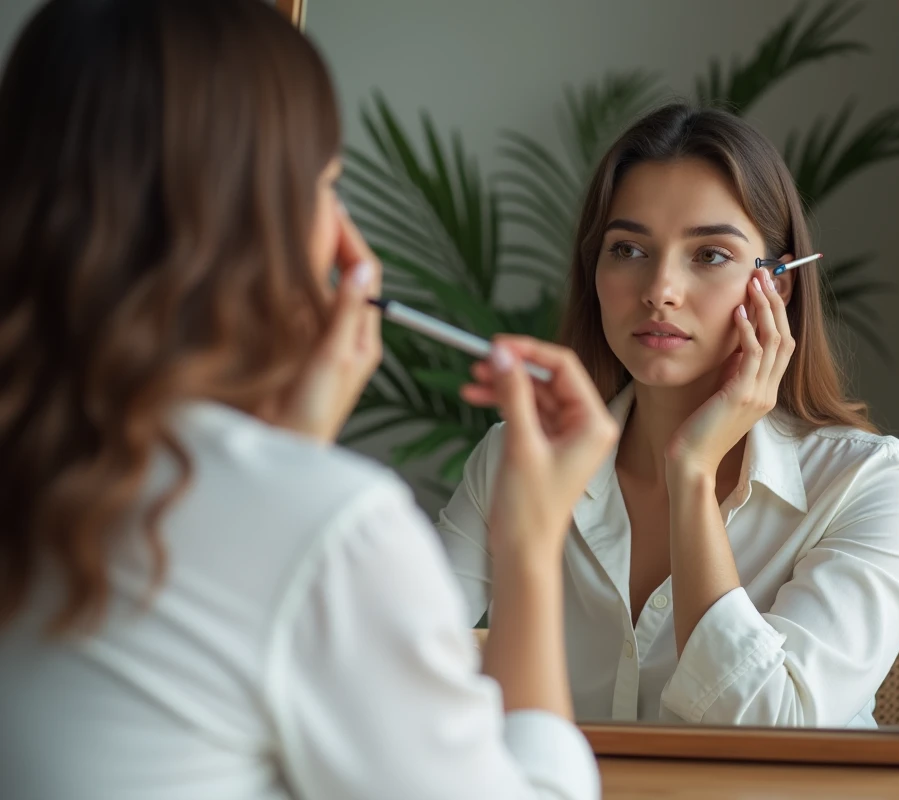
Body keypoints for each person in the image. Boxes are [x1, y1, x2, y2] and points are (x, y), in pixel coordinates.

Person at [0, 2, 614, 798]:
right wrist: (530, 548)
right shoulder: (328, 532)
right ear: (254, 218)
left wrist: (290, 453)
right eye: (327, 185)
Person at [438, 104, 899, 728]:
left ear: (776, 285)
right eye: (628, 248)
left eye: (711, 255)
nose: (660, 288)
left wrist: (691, 474)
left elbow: (773, 733)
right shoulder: (519, 457)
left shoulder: (870, 482)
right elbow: (379, 663)